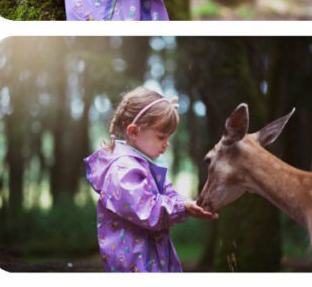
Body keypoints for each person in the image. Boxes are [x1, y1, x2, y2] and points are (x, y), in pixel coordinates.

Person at [85, 88, 217, 271]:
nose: (167, 143)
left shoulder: (147, 163)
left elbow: (167, 193)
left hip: (153, 257)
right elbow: (147, 210)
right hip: (133, 265)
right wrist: (182, 208)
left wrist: (189, 204)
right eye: (161, 136)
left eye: (169, 137)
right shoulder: (123, 170)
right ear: (133, 132)